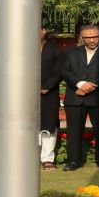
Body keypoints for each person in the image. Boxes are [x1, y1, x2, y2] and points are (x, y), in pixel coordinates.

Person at [60, 24, 99, 171]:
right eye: (87, 37)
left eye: (95, 37)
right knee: (73, 131)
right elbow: (64, 71)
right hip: (75, 98)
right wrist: (80, 84)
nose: (91, 40)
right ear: (81, 37)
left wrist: (91, 85)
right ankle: (73, 161)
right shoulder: (70, 53)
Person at [39, 28, 63, 171]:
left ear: (43, 31)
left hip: (48, 92)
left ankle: (47, 159)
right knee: (25, 124)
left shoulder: (55, 49)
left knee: (49, 124)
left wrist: (47, 87)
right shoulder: (20, 47)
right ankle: (27, 156)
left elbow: (60, 70)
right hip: (23, 94)